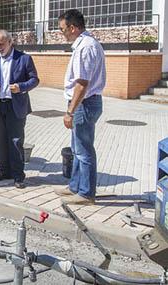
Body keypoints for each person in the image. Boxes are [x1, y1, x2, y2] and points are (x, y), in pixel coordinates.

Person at [54, 9, 105, 205]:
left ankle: (86, 193)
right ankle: (75, 186)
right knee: (77, 149)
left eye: (62, 29)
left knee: (84, 150)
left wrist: (70, 111)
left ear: (73, 28)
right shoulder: (85, 44)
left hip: (84, 103)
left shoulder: (85, 47)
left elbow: (82, 83)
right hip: (84, 103)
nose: (62, 33)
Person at [0, 30, 39, 189]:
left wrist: (21, 87)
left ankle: (18, 176)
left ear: (10, 42)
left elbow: (34, 79)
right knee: (1, 141)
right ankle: (4, 171)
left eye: (1, 44)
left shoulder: (24, 58)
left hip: (16, 106)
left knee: (16, 141)